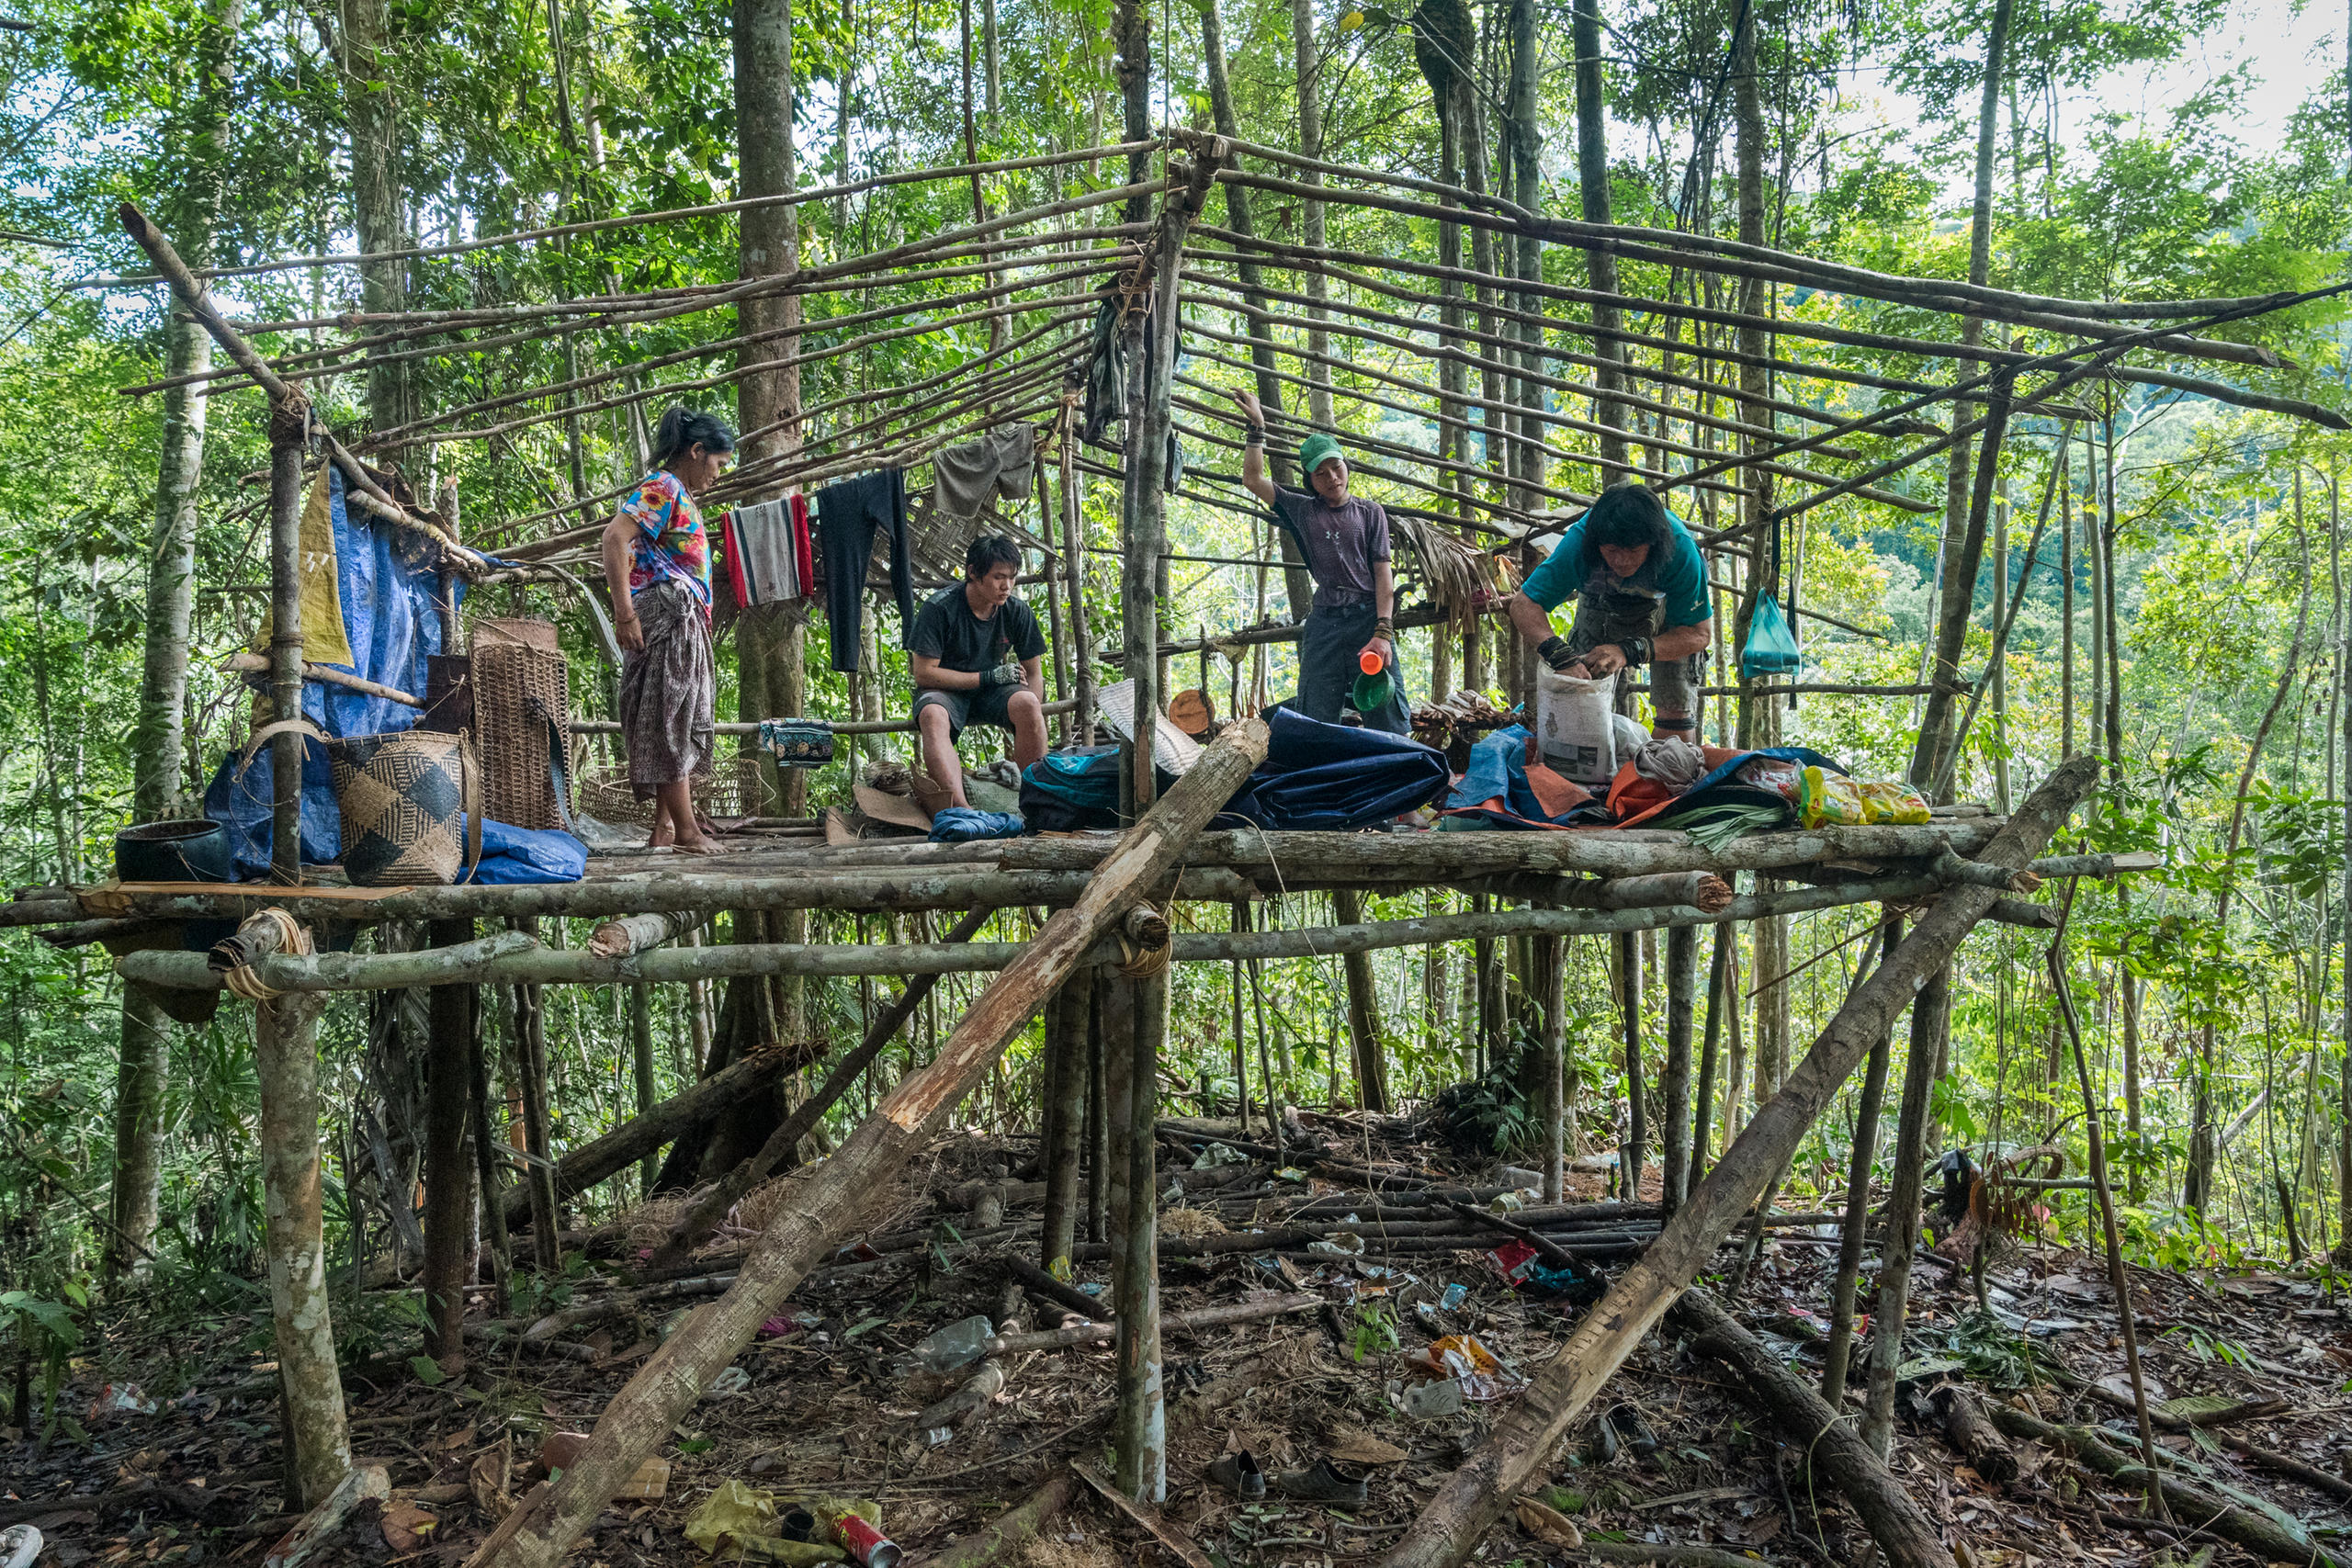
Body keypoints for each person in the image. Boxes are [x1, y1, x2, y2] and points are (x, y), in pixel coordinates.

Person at [1227, 389, 1410, 733]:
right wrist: (1257, 428)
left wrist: (1382, 632)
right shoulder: (1302, 510)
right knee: (1316, 716)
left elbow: (1384, 578)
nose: (1332, 478)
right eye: (1321, 473)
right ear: (1309, 480)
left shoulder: (1371, 513)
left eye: (1336, 467)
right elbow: (1252, 479)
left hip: (1367, 621)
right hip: (1325, 625)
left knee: (1388, 714)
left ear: (1346, 465)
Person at [603, 407, 735, 854]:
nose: (718, 474)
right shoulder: (664, 487)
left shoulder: (678, 493)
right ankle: (689, 831)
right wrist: (624, 614)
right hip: (667, 617)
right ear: (696, 452)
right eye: (717, 463)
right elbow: (614, 538)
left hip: (679, 617)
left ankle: (664, 828)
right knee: (671, 718)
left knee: (667, 712)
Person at [1507, 484, 1713, 739]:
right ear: (1597, 543)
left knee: (1675, 709)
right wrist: (1560, 656)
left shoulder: (1680, 550)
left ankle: (1669, 773)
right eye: (1612, 550)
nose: (1622, 561)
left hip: (1670, 606)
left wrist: (1629, 651)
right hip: (1600, 597)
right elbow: (1524, 604)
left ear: (1653, 544)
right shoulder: (1579, 543)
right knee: (1580, 688)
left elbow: (1698, 634)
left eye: (1633, 551)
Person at [910, 535, 1048, 809]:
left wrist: (1029, 709)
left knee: (1028, 702)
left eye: (1012, 577)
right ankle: (961, 810)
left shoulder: (1017, 612)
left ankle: (1038, 803)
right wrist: (987, 677)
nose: (1007, 586)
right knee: (931, 715)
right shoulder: (939, 609)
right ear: (973, 572)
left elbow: (1033, 672)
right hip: (945, 693)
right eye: (999, 577)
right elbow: (924, 673)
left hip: (993, 693)